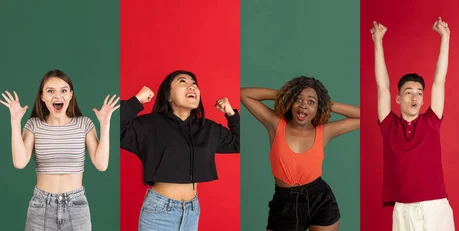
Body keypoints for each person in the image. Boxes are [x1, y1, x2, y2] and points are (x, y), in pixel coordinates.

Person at [120, 70, 240, 230]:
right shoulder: (149, 125)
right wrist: (136, 101)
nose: (191, 87)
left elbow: (238, 142)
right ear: (168, 96)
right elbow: (113, 127)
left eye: (194, 84)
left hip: (192, 211)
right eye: (183, 82)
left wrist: (231, 114)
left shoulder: (207, 128)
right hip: (159, 213)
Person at [0, 69, 119, 231]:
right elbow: (20, 162)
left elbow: (101, 164)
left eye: (63, 90)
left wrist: (105, 125)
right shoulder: (34, 125)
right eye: (50, 91)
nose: (57, 96)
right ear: (42, 96)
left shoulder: (84, 124)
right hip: (41, 206)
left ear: (70, 95)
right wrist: (15, 121)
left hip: (76, 205)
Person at [241, 76, 360, 231]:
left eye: (311, 102)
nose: (304, 105)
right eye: (298, 99)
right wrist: (286, 94)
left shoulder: (324, 132)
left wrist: (324, 103)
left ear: (318, 107)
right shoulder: (275, 124)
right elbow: (244, 94)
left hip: (320, 201)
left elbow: (361, 116)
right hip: (284, 204)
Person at [371, 17, 455, 231]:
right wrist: (377, 41)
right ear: (398, 99)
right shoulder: (389, 126)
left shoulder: (431, 121)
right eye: (408, 93)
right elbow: (382, 87)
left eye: (419, 93)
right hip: (403, 209)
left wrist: (445, 37)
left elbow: (439, 81)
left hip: (435, 206)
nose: (414, 97)